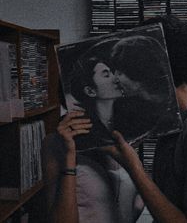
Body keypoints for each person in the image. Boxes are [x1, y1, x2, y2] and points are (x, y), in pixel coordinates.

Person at [103, 15, 187, 223]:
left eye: (129, 66)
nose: (117, 78)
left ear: (155, 69)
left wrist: (134, 166)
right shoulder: (172, 125)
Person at [42, 38, 143, 223]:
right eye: (106, 74)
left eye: (113, 72)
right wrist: (69, 156)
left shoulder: (126, 138)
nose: (116, 77)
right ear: (90, 91)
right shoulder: (56, 143)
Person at [110, 35, 181, 140]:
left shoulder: (172, 112)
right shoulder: (124, 108)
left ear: (138, 75)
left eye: (120, 73)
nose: (114, 78)